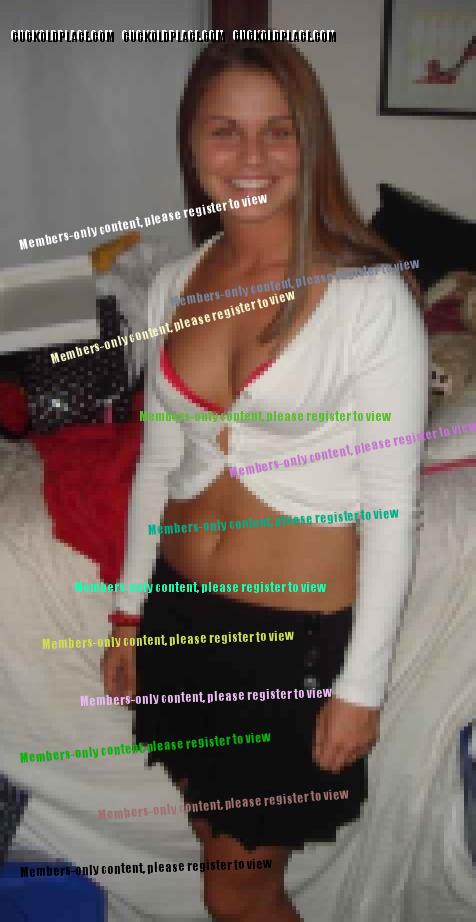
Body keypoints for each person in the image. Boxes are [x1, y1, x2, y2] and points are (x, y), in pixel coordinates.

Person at [103, 41, 427, 922]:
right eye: (225, 131)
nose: (251, 155)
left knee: (235, 892)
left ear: (310, 141)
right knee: (222, 849)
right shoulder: (176, 282)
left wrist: (361, 688)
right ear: (193, 144)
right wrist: (129, 611)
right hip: (182, 616)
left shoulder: (368, 295)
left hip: (290, 641)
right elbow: (160, 462)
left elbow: (392, 509)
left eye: (277, 131)